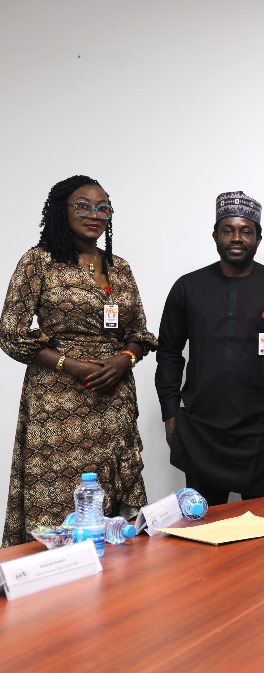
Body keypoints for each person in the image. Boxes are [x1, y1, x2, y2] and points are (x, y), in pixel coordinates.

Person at [0, 176, 157, 547]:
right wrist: (70, 365)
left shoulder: (119, 267)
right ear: (62, 211)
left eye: (103, 208)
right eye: (83, 206)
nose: (95, 215)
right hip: (58, 402)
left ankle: (118, 593)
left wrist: (125, 359)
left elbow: (140, 332)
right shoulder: (38, 262)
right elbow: (10, 333)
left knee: (112, 500)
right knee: (57, 496)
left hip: (112, 400)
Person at [155, 191, 264, 506]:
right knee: (202, 530)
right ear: (215, 235)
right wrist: (171, 413)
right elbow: (169, 352)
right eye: (228, 230)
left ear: (258, 237)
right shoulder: (188, 287)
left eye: (246, 231)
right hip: (202, 430)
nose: (236, 238)